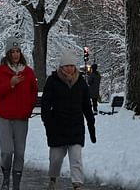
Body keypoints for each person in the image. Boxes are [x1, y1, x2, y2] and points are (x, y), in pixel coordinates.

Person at [41, 48, 96, 190]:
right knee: (56, 159)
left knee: (76, 158)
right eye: (67, 66)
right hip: (57, 127)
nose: (70, 69)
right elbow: (46, 105)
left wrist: (91, 127)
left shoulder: (81, 83)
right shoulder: (53, 81)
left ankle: (77, 184)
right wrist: (48, 123)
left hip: (76, 127)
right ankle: (53, 179)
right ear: (61, 66)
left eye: (72, 66)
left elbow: (87, 106)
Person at [0, 37, 39, 190]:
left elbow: (33, 92)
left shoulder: (29, 72)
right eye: (13, 51)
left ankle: (16, 185)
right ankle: (6, 179)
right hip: (4, 117)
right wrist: (10, 83)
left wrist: (28, 108)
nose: (16, 54)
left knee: (19, 152)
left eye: (18, 51)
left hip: (21, 118)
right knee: (7, 151)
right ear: (8, 53)